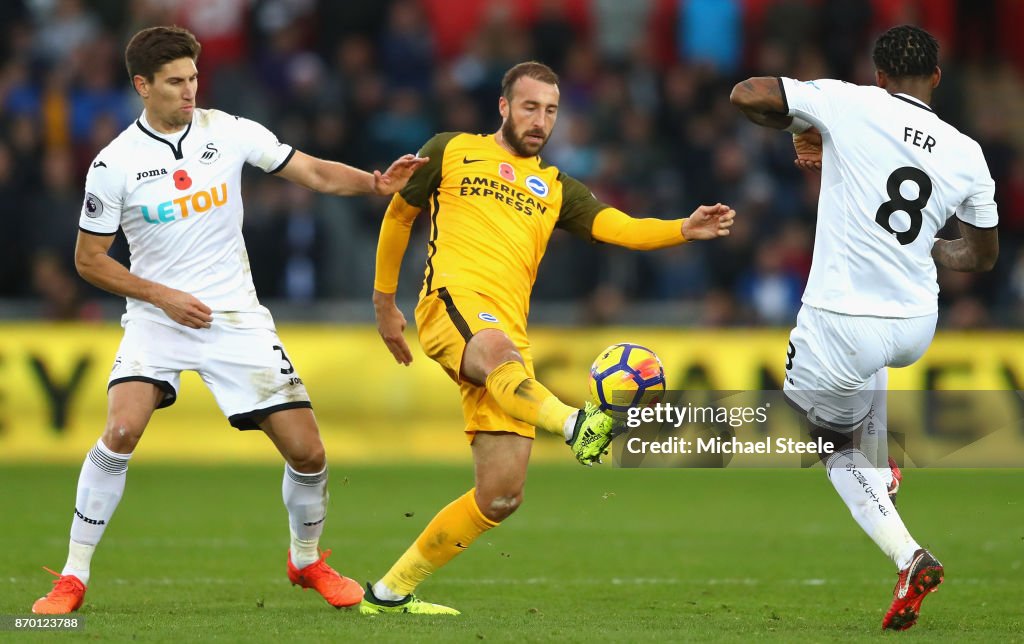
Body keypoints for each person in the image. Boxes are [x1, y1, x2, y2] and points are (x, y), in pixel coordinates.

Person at [31, 25, 427, 615]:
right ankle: (72, 576)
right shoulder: (113, 163)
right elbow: (89, 262)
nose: (190, 90)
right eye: (174, 82)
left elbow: (313, 172)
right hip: (156, 320)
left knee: (309, 454)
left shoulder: (231, 131)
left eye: (193, 77)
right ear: (142, 85)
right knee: (121, 432)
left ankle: (306, 559)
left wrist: (373, 184)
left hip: (235, 316)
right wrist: (162, 297)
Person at [363, 61, 735, 615]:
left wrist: (682, 228)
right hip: (452, 302)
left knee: (501, 495)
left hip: (506, 333)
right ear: (504, 106)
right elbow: (400, 214)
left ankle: (389, 593)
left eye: (551, 111)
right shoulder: (451, 148)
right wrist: (384, 300)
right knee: (499, 356)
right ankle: (574, 423)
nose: (541, 120)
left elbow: (621, 228)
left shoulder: (557, 188)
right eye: (531, 107)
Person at [730, 25, 998, 631]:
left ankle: (908, 554)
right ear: (935, 78)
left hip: (842, 317)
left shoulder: (849, 101)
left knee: (825, 438)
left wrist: (803, 121)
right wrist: (925, 250)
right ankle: (881, 462)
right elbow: (980, 257)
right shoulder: (967, 152)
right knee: (861, 377)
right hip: (915, 322)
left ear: (878, 74)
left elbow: (746, 93)